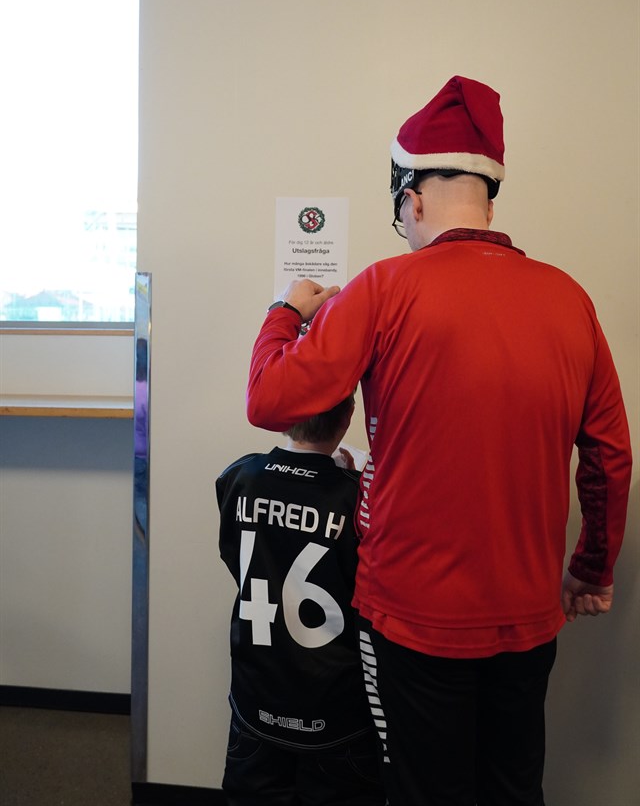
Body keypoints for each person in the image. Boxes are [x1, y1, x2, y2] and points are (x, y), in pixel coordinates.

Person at [245, 75, 632, 806]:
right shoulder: (570, 298)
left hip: (411, 616)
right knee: (513, 787)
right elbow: (609, 455)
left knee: (423, 792)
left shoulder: (383, 289)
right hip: (527, 611)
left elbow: (269, 398)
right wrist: (591, 568)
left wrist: (285, 311)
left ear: (412, 200)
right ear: (489, 202)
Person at [216, 394, 386, 806]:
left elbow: (234, 555)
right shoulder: (357, 498)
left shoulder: (240, 476)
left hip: (256, 701)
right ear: (348, 417)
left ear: (283, 415)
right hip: (337, 711)